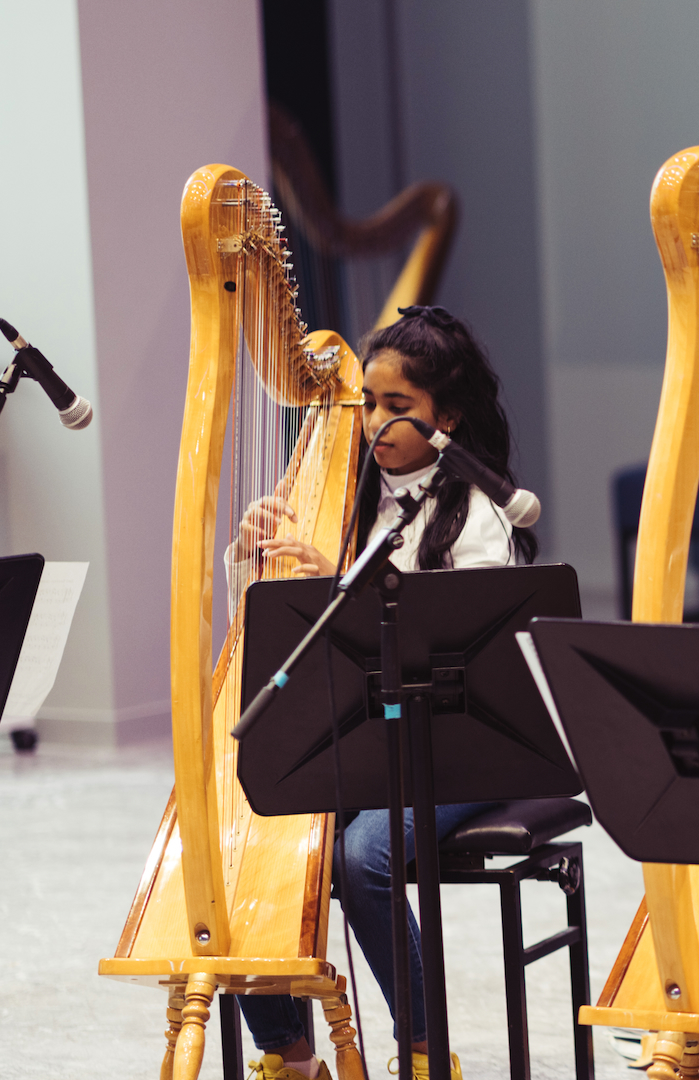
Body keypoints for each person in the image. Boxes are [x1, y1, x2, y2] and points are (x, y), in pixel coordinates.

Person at [229, 305, 536, 1080]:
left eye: (399, 407)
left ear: (448, 415)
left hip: (455, 748)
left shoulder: (478, 517)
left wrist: (344, 587)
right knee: (244, 838)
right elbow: (265, 641)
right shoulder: (337, 491)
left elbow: (470, 658)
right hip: (362, 740)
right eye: (369, 402)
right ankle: (291, 1056)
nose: (376, 423)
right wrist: (251, 558)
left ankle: (427, 1051)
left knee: (363, 852)